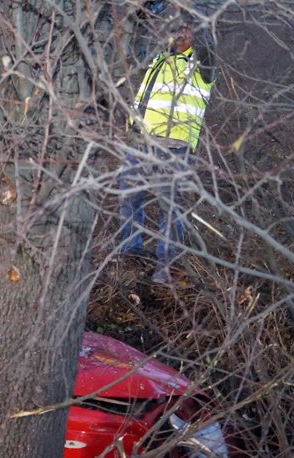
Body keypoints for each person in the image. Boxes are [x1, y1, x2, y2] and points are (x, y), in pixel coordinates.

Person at [119, 17, 215, 283]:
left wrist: (199, 22)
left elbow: (209, 46)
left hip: (175, 147)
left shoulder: (201, 65)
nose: (181, 32)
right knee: (129, 199)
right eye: (178, 28)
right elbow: (133, 45)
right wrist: (143, 15)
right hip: (141, 144)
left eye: (187, 29)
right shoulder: (157, 59)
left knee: (170, 208)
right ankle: (130, 254)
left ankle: (165, 265)